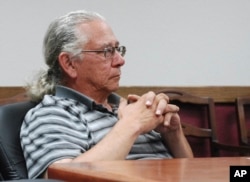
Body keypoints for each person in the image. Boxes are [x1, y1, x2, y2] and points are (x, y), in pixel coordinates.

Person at [20, 10, 193, 179]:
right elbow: (63, 178)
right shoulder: (51, 115)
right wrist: (131, 125)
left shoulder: (128, 109)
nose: (120, 60)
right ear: (69, 63)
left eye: (118, 49)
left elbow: (190, 172)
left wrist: (172, 133)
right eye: (107, 51)